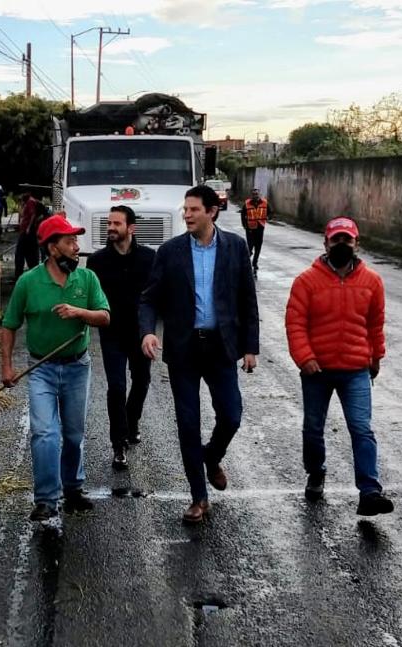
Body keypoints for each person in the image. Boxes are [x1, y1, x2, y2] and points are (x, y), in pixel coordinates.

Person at [139, 184, 259, 524]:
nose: (186, 214)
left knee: (232, 415)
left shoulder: (235, 247)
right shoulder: (170, 251)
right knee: (188, 423)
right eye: (185, 209)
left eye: (193, 209)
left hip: (221, 348)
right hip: (184, 348)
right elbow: (149, 298)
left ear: (212, 211)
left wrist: (250, 347)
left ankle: (212, 456)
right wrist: (148, 331)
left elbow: (247, 301)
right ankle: (198, 497)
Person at [1, 214, 111, 523]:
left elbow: (105, 317)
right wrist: (7, 367)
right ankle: (46, 499)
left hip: (77, 367)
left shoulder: (87, 279)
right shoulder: (29, 282)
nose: (77, 247)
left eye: (76, 241)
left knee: (74, 434)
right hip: (41, 369)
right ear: (52, 248)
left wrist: (79, 312)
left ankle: (73, 489)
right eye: (70, 241)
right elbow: (9, 326)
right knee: (45, 434)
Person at [285, 217, 393, 516]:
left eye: (347, 240)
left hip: (356, 370)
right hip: (317, 370)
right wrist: (305, 358)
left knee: (361, 428)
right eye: (337, 240)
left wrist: (376, 358)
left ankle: (370, 490)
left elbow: (375, 324)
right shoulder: (306, 281)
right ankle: (316, 471)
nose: (342, 245)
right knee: (313, 428)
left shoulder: (372, 282)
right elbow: (295, 323)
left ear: (356, 244)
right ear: (326, 243)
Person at [87, 205, 156, 470]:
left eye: (117, 223)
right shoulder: (97, 261)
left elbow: (157, 294)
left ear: (131, 228)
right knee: (116, 387)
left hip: (140, 334)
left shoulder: (150, 259)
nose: (111, 228)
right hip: (112, 334)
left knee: (142, 381)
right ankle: (118, 444)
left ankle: (132, 421)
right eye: (109, 223)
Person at [240, 188, 270, 275]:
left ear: (259, 194)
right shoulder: (247, 204)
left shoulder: (264, 203)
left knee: (258, 247)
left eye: (256, 194)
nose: (255, 196)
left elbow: (270, 212)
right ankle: (245, 262)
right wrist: (245, 225)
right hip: (250, 229)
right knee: (249, 247)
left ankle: (255, 263)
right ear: (251, 195)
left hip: (260, 228)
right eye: (253, 194)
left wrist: (268, 217)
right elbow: (243, 215)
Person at [14, 193, 40, 278]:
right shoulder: (28, 202)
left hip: (28, 232)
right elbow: (22, 215)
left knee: (22, 253)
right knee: (26, 253)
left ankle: (20, 274)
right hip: (26, 231)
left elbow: (33, 215)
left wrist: (28, 227)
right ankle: (21, 273)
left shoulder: (30, 202)